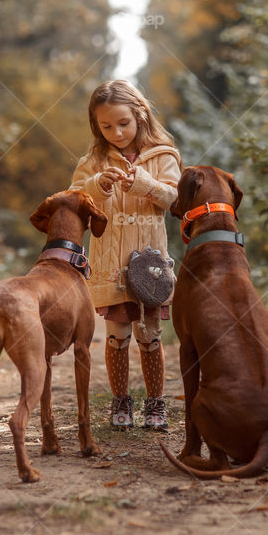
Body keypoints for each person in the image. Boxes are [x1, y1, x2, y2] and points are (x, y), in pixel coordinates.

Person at [69, 79, 182, 430]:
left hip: (150, 265)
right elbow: (72, 200)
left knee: (149, 334)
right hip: (110, 264)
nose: (116, 133)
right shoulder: (93, 161)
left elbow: (175, 198)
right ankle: (121, 402)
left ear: (140, 116)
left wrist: (144, 184)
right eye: (106, 126)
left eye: (123, 124)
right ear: (95, 125)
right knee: (117, 333)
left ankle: (155, 404)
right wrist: (97, 186)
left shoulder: (163, 156)